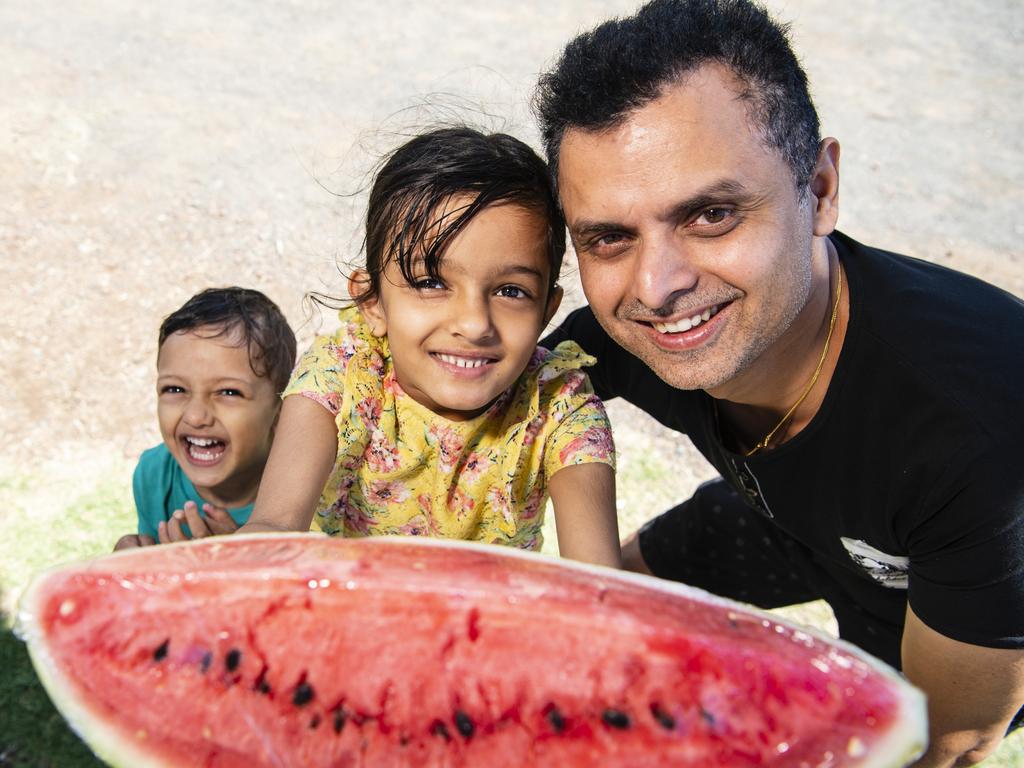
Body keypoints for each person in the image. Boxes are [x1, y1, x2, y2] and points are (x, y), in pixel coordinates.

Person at [534, 0, 1024, 764]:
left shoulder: (980, 441)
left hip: (958, 590)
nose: (656, 286)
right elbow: (473, 396)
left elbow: (954, 740)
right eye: (609, 236)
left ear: (821, 188)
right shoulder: (627, 332)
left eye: (712, 214)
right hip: (789, 522)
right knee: (630, 593)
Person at [240, 127, 620, 568]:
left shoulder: (559, 406)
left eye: (511, 291)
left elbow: (599, 583)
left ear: (546, 311)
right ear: (372, 302)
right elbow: (274, 528)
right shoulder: (344, 375)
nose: (474, 324)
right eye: (432, 282)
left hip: (491, 630)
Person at [114, 287, 296, 549]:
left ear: (281, 410)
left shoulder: (308, 493)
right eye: (175, 389)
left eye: (229, 392)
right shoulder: (154, 475)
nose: (196, 416)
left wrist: (242, 561)